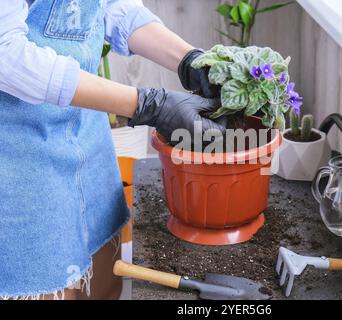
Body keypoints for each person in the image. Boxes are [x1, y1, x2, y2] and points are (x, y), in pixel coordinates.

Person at [0, 0, 224, 300]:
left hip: (87, 138)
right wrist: (147, 105)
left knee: (104, 283)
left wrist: (191, 62)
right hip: (18, 159)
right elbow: (6, 54)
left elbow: (113, 7)